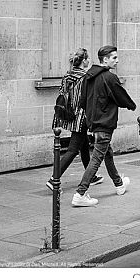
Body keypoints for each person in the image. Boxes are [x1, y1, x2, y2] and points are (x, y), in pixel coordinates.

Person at [71, 45, 136, 207]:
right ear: (105, 59)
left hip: (93, 123)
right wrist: (131, 105)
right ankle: (80, 193)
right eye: (114, 58)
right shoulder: (109, 77)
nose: (117, 60)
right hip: (105, 124)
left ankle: (119, 184)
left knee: (107, 153)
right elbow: (122, 98)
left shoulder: (88, 76)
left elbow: (82, 100)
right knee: (97, 158)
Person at [47, 48, 104, 191]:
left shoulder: (67, 75)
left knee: (84, 146)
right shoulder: (86, 77)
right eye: (88, 58)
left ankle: (91, 176)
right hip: (81, 117)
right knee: (73, 150)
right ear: (84, 61)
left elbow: (62, 95)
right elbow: (88, 99)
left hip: (70, 115)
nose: (89, 60)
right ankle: (54, 179)